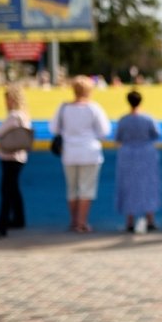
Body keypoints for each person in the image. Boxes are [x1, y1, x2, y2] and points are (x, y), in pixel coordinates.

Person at [49, 76, 111, 233]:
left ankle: (74, 221)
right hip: (90, 152)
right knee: (86, 188)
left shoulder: (63, 107)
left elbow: (53, 129)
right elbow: (104, 131)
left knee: (72, 189)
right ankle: (82, 222)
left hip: (69, 152)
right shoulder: (93, 108)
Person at [114, 90, 161, 232]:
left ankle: (130, 221)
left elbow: (117, 138)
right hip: (146, 154)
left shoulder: (124, 120)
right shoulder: (148, 119)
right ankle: (150, 219)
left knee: (129, 186)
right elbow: (157, 134)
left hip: (127, 154)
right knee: (148, 185)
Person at [0, 85, 31, 239]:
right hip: (20, 156)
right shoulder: (25, 115)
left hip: (10, 157)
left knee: (6, 190)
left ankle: (1, 226)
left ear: (11, 99)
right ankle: (19, 219)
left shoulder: (14, 116)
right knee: (13, 189)